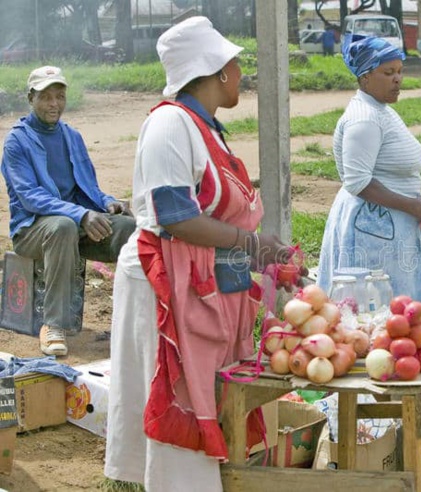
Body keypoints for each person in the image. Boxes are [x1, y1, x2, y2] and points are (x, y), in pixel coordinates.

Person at [103, 17, 296, 491]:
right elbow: (175, 214)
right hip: (164, 283)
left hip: (200, 280)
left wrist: (261, 254)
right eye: (235, 64)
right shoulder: (169, 123)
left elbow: (213, 212)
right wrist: (251, 244)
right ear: (217, 71)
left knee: (204, 385)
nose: (240, 73)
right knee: (178, 385)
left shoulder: (204, 126)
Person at [1, 65, 136, 357]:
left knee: (128, 228)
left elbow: (88, 188)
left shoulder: (71, 136)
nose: (54, 104)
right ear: (30, 98)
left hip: (72, 225)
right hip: (32, 231)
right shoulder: (16, 141)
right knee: (61, 225)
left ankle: (135, 319)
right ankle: (54, 325)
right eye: (46, 97)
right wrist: (80, 215)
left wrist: (108, 203)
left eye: (59, 96)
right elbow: (30, 197)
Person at [316, 35, 421, 302]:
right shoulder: (363, 118)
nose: (397, 79)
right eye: (388, 73)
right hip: (372, 231)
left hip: (390, 225)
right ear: (365, 77)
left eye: (400, 71)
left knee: (398, 308)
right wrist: (414, 206)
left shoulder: (380, 109)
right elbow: (358, 182)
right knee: (373, 307)